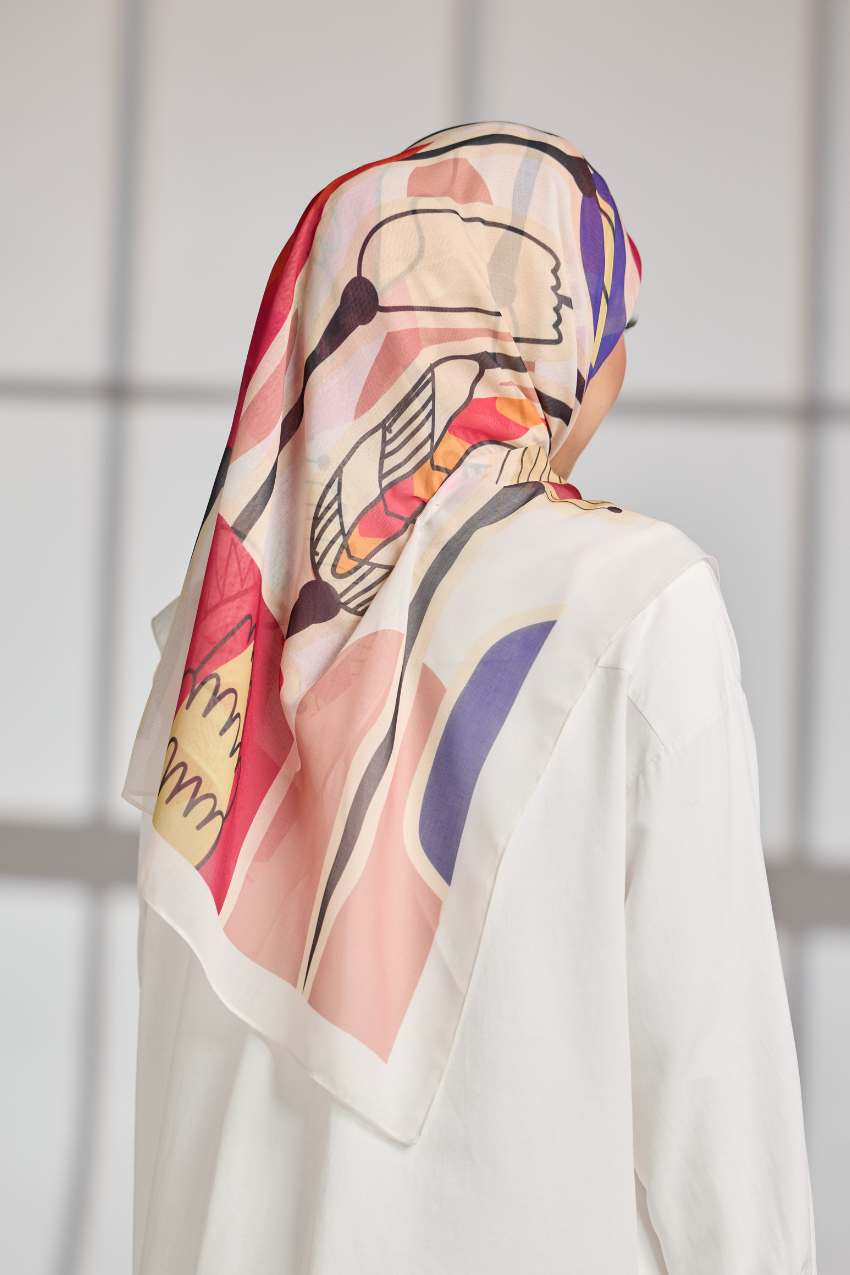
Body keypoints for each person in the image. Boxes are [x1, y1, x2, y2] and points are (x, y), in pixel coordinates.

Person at [125, 122, 815, 1274]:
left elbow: (169, 1112)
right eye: (613, 331)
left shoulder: (218, 650)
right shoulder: (637, 601)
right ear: (539, 336)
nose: (616, 372)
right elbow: (715, 1106)